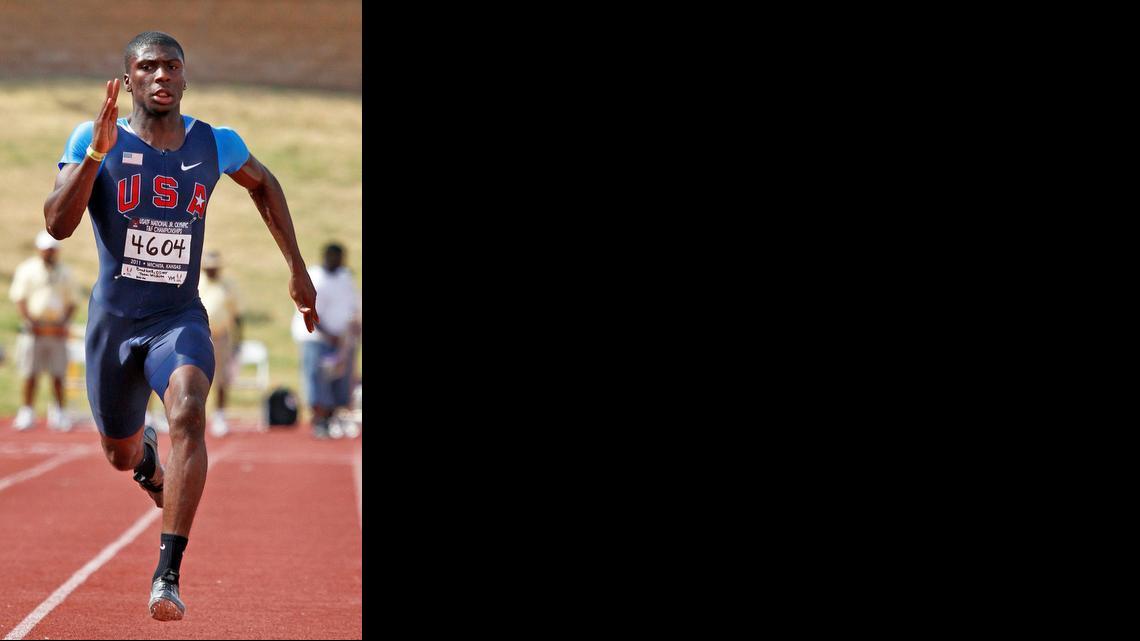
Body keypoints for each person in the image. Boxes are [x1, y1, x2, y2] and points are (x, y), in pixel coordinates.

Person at [42, 31, 318, 621]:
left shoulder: (215, 144)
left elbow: (265, 184)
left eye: (173, 66)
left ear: (185, 79)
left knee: (189, 409)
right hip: (114, 322)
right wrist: (95, 153)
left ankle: (166, 575)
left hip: (178, 316)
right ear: (128, 80)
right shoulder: (93, 139)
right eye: (149, 66)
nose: (162, 75)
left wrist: (297, 270)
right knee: (117, 453)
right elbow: (59, 225)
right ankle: (144, 461)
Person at [8, 230, 78, 432]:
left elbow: (72, 301)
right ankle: (27, 412)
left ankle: (60, 412)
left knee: (58, 374)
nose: (50, 253)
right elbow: (19, 298)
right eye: (46, 250)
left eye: (53, 250)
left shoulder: (65, 272)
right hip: (34, 331)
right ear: (39, 250)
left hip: (56, 331)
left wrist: (64, 322)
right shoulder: (27, 270)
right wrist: (30, 322)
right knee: (30, 373)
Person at [291, 243, 360, 439]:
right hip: (315, 336)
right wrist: (330, 334)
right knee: (316, 377)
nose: (338, 262)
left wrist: (351, 331)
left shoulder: (346, 277)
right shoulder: (315, 277)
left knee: (340, 379)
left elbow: (353, 305)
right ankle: (319, 419)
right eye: (334, 258)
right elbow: (309, 310)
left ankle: (333, 418)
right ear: (326, 257)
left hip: (341, 339)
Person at [199, 250, 242, 437]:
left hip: (221, 336)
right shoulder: (196, 282)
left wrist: (239, 341)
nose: (212, 271)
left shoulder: (228, 285)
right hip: (198, 336)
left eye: (215, 268)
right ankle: (196, 415)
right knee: (195, 377)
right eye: (209, 268)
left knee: (222, 378)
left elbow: (238, 315)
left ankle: (220, 416)